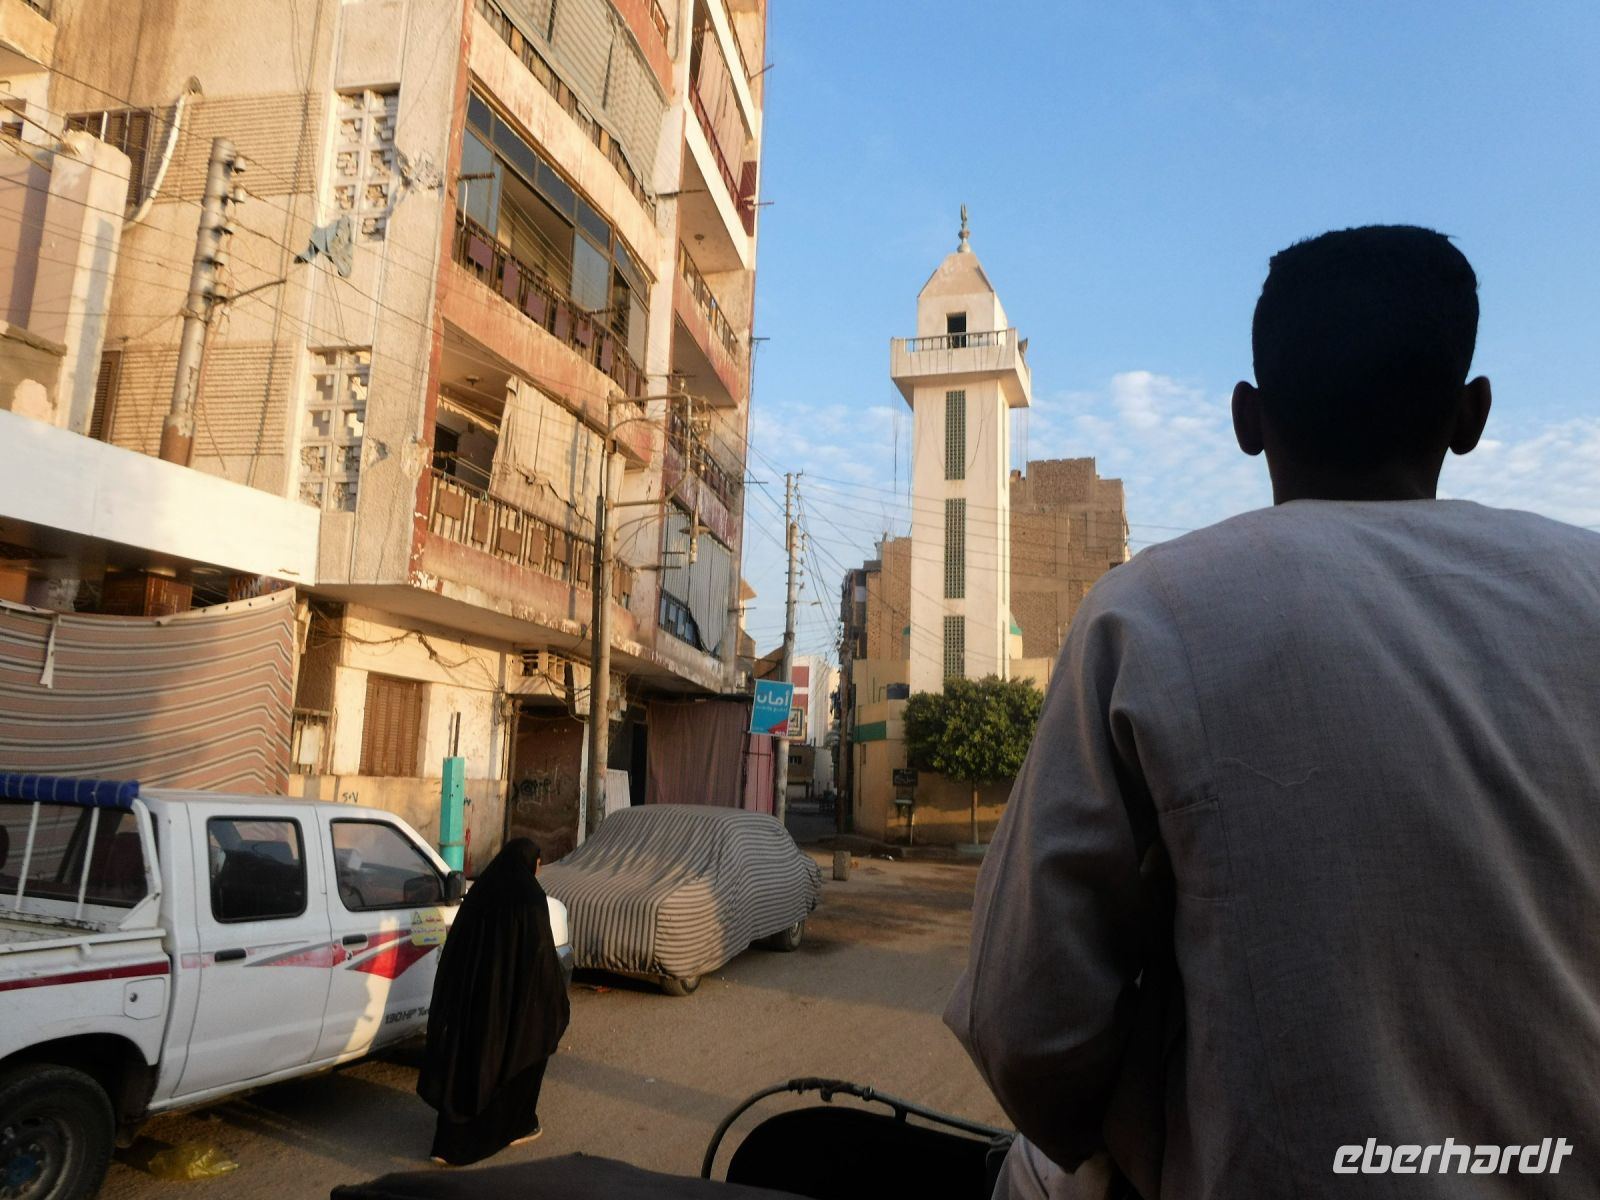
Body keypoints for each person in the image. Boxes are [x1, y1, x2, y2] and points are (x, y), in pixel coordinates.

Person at [945, 226, 1600, 1198]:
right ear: (1471, 415)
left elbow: (1025, 1025)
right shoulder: (1586, 588)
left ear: (1247, 418)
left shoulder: (1150, 611)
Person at [417, 837, 570, 1166]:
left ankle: (448, 1142)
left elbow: (456, 949)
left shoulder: (481, 892)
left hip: (471, 998)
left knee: (468, 1061)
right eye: (538, 865)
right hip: (508, 1003)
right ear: (531, 863)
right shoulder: (530, 898)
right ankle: (515, 1126)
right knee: (519, 1054)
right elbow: (539, 957)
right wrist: (552, 1003)